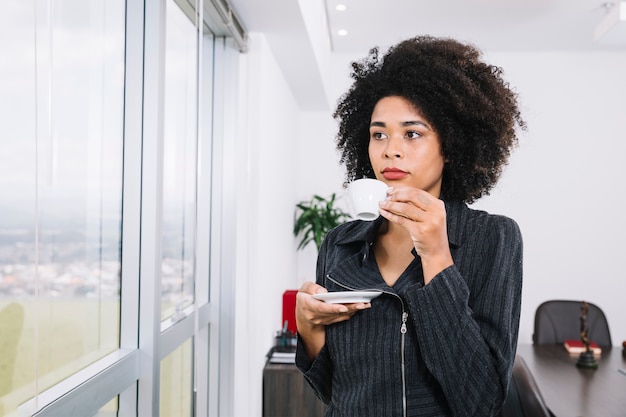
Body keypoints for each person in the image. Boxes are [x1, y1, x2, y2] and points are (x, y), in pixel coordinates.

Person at [295, 35, 525, 417]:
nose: (391, 149)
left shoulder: (493, 238)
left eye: (412, 133)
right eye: (378, 134)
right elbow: (331, 390)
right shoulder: (341, 244)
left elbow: (481, 401)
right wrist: (308, 326)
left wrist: (436, 255)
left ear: (449, 146)